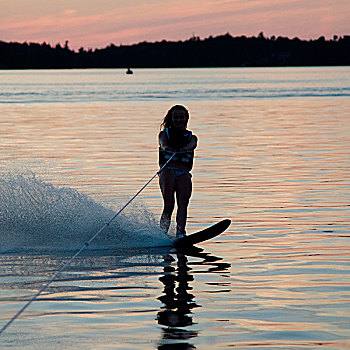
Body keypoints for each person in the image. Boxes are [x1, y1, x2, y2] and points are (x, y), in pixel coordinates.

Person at [158, 105, 198, 238]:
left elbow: (192, 144)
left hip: (183, 173)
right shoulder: (164, 134)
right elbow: (162, 143)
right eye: (176, 117)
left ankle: (181, 233)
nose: (179, 120)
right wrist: (167, 147)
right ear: (171, 118)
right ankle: (162, 234)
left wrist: (185, 148)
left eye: (182, 117)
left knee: (183, 204)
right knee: (169, 204)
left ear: (186, 119)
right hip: (167, 171)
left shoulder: (192, 137)